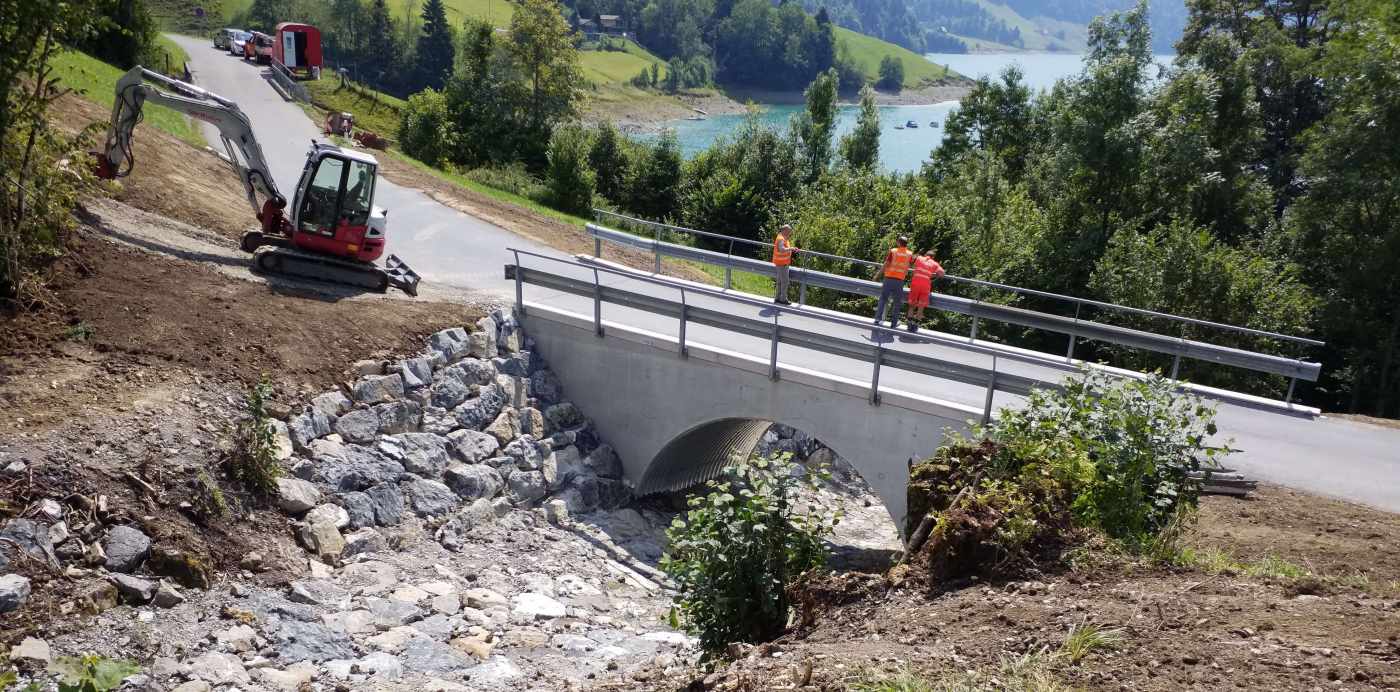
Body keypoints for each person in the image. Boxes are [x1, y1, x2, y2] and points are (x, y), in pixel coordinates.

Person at [873, 235, 913, 328]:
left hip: (889, 278)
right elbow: (911, 264)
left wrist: (877, 275)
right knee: (897, 302)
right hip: (899, 280)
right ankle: (894, 323)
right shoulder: (909, 254)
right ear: (906, 244)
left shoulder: (893, 251)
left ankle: (877, 319)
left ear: (899, 242)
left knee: (883, 299)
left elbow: (886, 263)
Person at [904, 250, 945, 332]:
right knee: (921, 306)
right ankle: (915, 325)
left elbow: (910, 260)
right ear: (933, 257)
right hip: (925, 285)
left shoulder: (919, 258)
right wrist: (935, 275)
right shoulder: (935, 263)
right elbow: (942, 273)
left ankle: (909, 324)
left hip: (915, 283)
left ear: (926, 254)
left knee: (912, 305)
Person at [771, 224, 798, 305]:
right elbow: (782, 249)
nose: (790, 233)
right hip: (782, 264)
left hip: (781, 263)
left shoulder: (781, 237)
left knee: (779, 281)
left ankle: (777, 298)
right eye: (789, 231)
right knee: (785, 282)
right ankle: (783, 299)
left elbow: (784, 248)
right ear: (784, 230)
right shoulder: (781, 238)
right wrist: (791, 248)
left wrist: (791, 249)